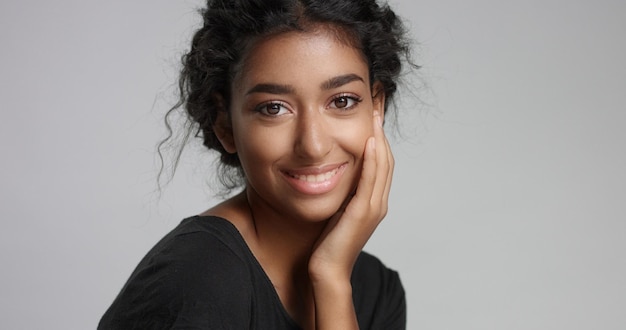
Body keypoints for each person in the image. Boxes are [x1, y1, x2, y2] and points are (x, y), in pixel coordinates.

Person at [99, 0, 414, 328]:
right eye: (274, 108)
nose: (313, 146)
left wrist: (331, 279)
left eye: (342, 101)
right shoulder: (198, 277)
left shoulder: (378, 291)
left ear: (376, 106)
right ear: (225, 123)